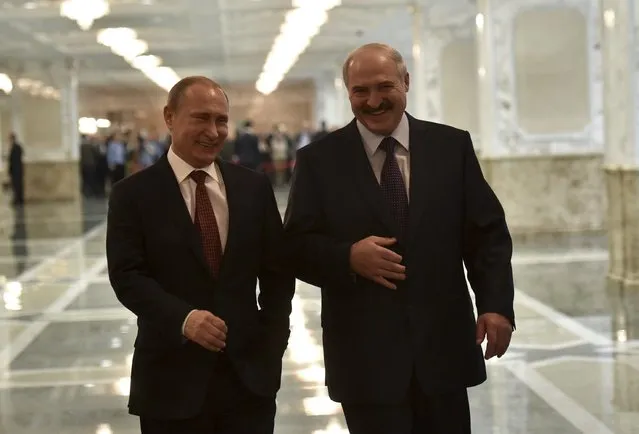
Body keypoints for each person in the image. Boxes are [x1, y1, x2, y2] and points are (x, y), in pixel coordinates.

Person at [284, 43, 515, 434]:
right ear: (348, 93)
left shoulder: (450, 147)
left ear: (406, 82)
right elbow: (294, 246)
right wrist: (347, 258)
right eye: (360, 91)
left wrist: (495, 305)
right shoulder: (319, 161)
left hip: (443, 347)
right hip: (365, 357)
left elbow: (486, 235)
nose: (373, 101)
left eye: (383, 86)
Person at [106, 76, 295, 434]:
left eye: (221, 120)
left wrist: (272, 345)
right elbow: (127, 276)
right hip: (170, 379)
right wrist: (184, 318)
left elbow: (278, 273)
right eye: (201, 118)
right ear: (170, 117)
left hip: (248, 379)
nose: (214, 130)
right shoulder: (133, 195)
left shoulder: (252, 187)